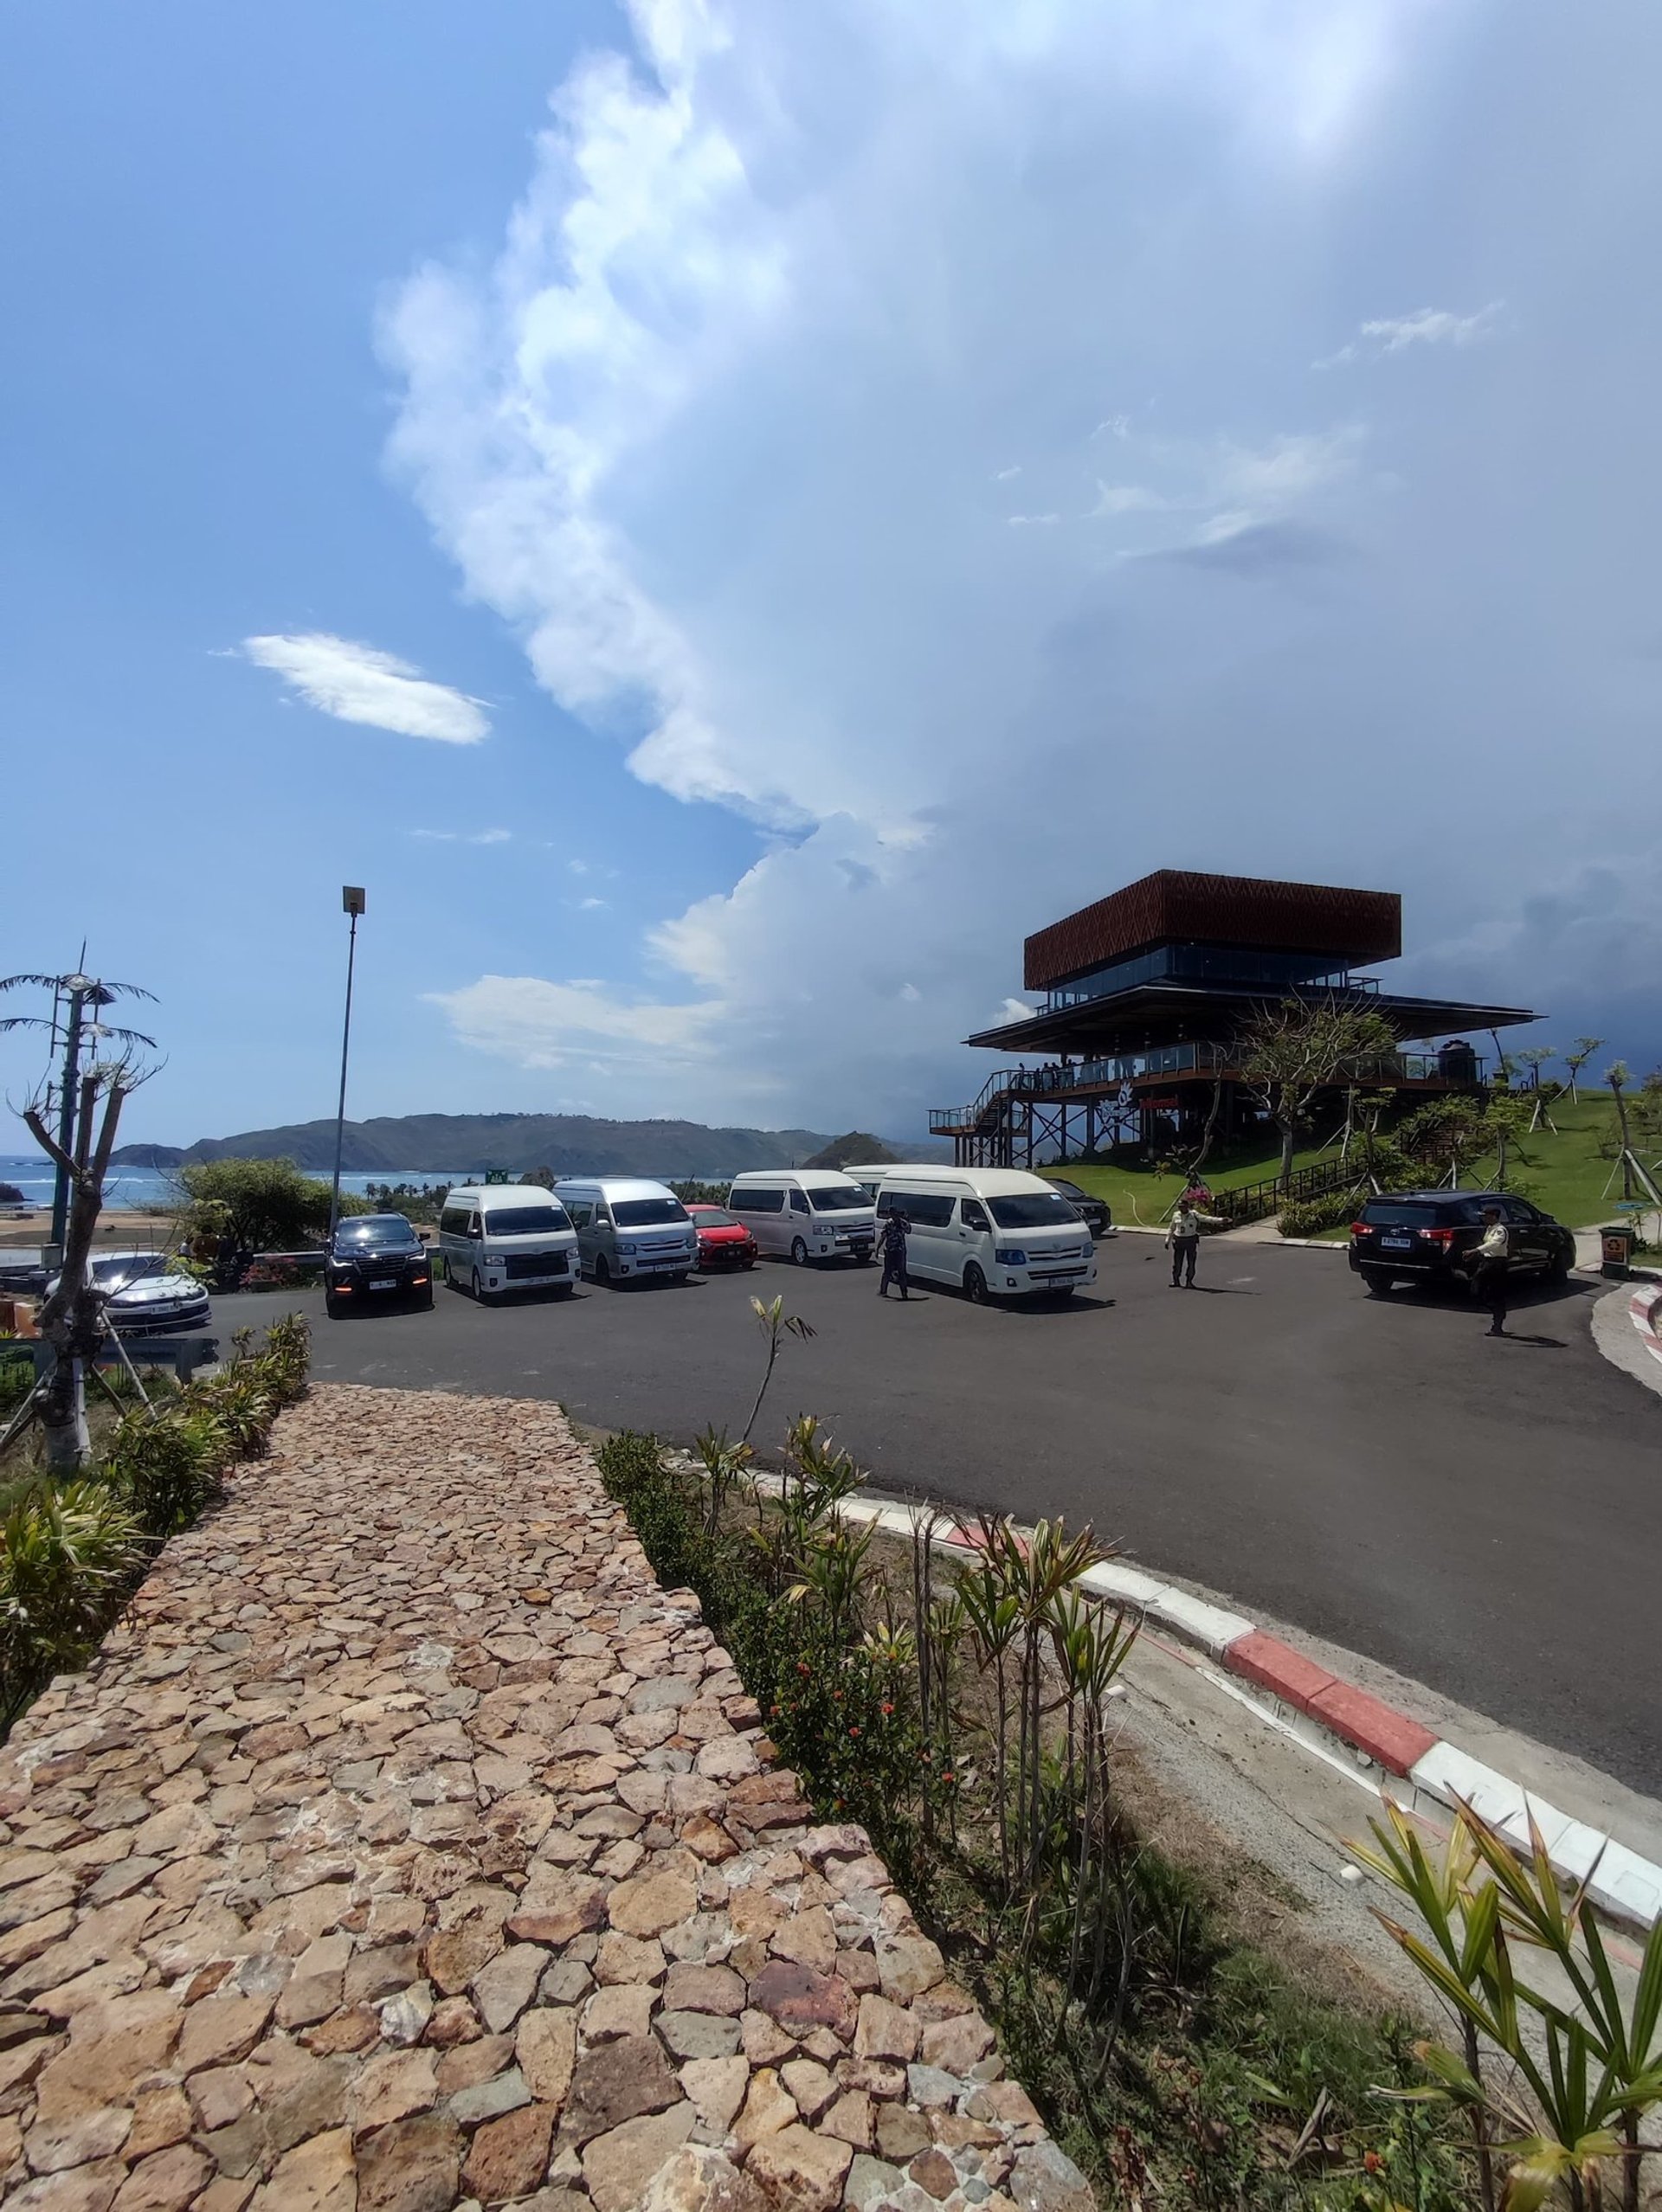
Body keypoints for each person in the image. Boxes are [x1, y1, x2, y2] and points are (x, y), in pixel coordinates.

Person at [1470, 1203, 1510, 1337]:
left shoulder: (1500, 1230)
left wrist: (1476, 1250)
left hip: (1497, 1264)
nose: (1484, 1218)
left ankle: (1497, 1322)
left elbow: (1494, 1244)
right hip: (1487, 1262)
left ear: (1493, 1216)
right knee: (1477, 1290)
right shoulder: (1489, 1228)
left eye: (1486, 1216)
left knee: (1496, 1292)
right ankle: (1496, 1311)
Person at [1164, 1197, 1222, 1287]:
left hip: (1190, 1240)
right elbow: (1171, 1228)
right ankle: (1176, 1280)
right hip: (1179, 1240)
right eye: (1179, 1206)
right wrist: (1167, 1240)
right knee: (1177, 1262)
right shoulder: (1176, 1215)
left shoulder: (1194, 1215)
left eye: (1183, 1206)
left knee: (1191, 1262)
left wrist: (1221, 1220)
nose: (1181, 1208)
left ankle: (1189, 1281)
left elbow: (1207, 1219)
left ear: (1187, 1206)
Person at [877, 1207, 912, 1300]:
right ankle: (901, 1293)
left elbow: (883, 1236)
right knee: (896, 1272)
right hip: (896, 1250)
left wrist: (877, 1248)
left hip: (894, 1250)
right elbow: (883, 1236)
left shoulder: (894, 1223)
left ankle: (886, 1291)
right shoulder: (894, 1223)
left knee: (893, 1272)